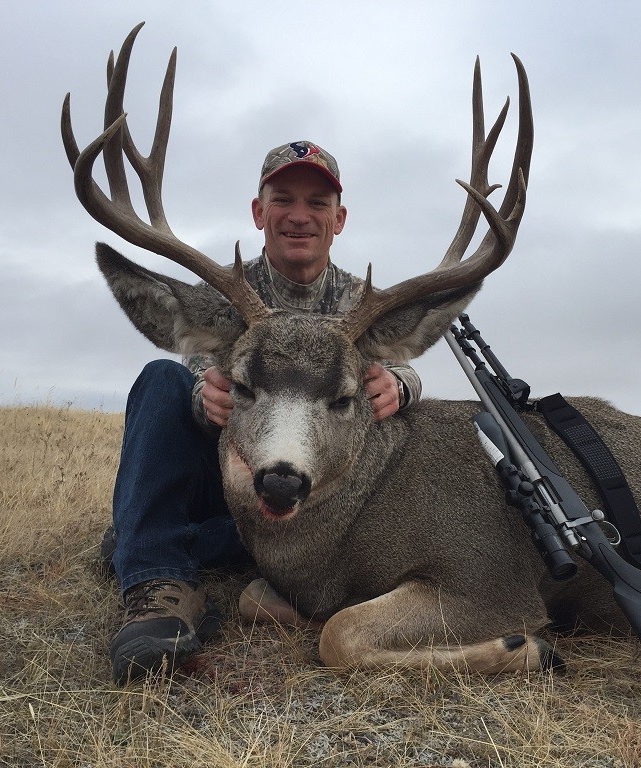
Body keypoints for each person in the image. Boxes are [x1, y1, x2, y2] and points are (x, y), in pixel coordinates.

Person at [106, 141, 422, 682]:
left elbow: (404, 361)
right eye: (283, 199)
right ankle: (157, 586)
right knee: (163, 380)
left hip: (307, 504)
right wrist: (204, 395)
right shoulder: (224, 298)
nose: (300, 216)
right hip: (228, 472)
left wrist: (401, 384)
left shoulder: (362, 306)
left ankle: (146, 533)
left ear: (338, 219)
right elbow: (197, 368)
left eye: (317, 203)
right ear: (259, 211)